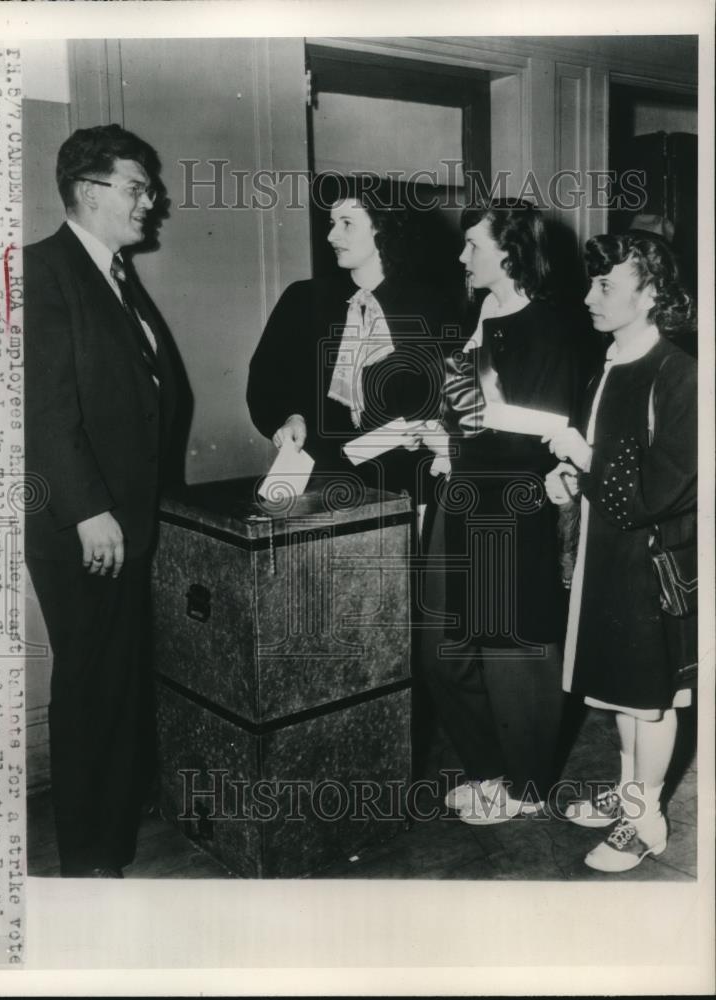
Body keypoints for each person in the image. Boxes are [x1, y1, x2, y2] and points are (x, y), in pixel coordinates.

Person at [24, 124, 179, 878]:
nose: (151, 202)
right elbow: (40, 407)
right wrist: (88, 509)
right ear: (88, 191)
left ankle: (113, 820)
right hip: (85, 528)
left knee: (118, 681)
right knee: (91, 688)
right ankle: (89, 860)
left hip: (124, 522)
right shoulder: (43, 271)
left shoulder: (114, 273)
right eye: (136, 188)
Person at [419, 199, 582, 824]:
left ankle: (526, 784)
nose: (462, 256)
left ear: (510, 255)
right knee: (442, 651)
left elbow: (543, 432)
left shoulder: (553, 327)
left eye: (474, 246)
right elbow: (463, 405)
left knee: (514, 653)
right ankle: (489, 768)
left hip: (511, 505)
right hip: (457, 496)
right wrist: (438, 431)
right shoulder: (477, 312)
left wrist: (461, 437)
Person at [544, 233, 696, 872]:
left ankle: (647, 820)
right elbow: (603, 458)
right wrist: (568, 482)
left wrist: (586, 458)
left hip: (648, 561)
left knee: (648, 699)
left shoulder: (679, 373)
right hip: (603, 554)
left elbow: (665, 482)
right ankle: (632, 793)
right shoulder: (609, 360)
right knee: (620, 693)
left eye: (605, 285)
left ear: (652, 294)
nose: (588, 297)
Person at [246, 176, 450, 502]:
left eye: (346, 224)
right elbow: (266, 379)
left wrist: (429, 426)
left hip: (408, 489)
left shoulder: (432, 308)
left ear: (381, 227)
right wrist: (289, 416)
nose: (331, 235)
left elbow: (452, 395)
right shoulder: (304, 299)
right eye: (331, 223)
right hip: (322, 485)